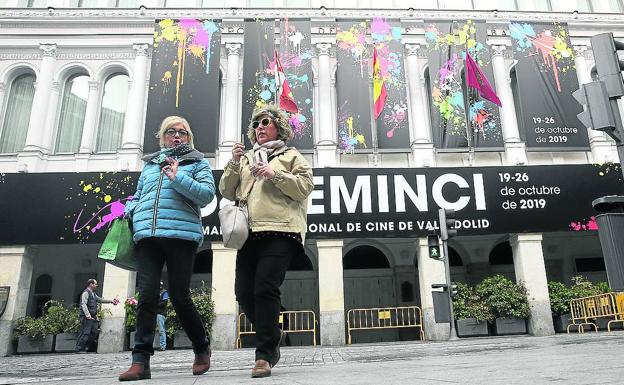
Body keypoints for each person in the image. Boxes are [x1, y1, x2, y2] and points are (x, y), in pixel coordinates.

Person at [219, 103, 314, 378]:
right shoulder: (247, 158)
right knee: (243, 293)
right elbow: (226, 190)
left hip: (282, 230)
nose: (259, 127)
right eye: (256, 124)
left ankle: (264, 355)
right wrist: (235, 162)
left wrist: (276, 174)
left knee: (264, 288)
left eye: (265, 122)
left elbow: (305, 187)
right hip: (249, 232)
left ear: (278, 127)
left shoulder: (291, 155)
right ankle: (273, 333)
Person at [118, 116, 215, 381]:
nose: (176, 136)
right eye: (171, 132)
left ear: (189, 137)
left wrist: (177, 177)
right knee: (146, 297)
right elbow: (139, 195)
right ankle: (140, 361)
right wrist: (130, 209)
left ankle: (200, 346)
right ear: (162, 137)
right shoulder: (150, 164)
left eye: (182, 132)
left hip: (181, 235)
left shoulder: (197, 162)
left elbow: (207, 195)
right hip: (148, 236)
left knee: (179, 296)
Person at [74, 278, 118, 353]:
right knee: (85, 332)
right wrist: (87, 315)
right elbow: (83, 304)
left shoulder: (93, 294)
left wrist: (111, 301)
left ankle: (86, 347)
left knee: (94, 332)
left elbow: (100, 300)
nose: (96, 285)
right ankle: (79, 349)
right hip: (86, 316)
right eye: (95, 284)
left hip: (93, 316)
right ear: (91, 284)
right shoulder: (86, 293)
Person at [156, 282, 169, 351]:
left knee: (161, 330)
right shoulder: (155, 293)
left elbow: (164, 302)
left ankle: (163, 346)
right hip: (155, 313)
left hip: (160, 313)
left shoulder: (164, 292)